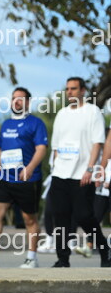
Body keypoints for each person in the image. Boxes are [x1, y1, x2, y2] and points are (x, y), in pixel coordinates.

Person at [0, 87, 47, 268]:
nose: (16, 101)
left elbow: (41, 149)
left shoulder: (36, 123)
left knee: (29, 219)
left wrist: (30, 168)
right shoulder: (6, 124)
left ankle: (32, 257)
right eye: (14, 98)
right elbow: (2, 149)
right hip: (4, 179)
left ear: (28, 102)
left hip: (26, 179)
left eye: (20, 98)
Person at [49, 77, 111, 267]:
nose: (70, 92)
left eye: (74, 88)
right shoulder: (62, 114)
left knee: (84, 216)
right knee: (60, 216)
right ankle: (62, 259)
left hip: (82, 175)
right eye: (67, 89)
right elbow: (56, 146)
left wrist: (90, 169)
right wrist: (56, 167)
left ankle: (104, 249)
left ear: (83, 91)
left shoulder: (92, 112)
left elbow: (97, 143)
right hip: (60, 174)